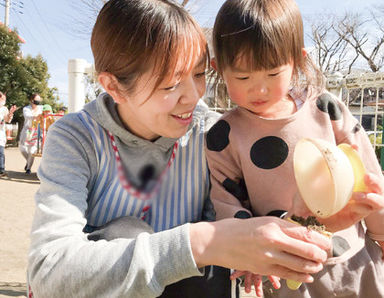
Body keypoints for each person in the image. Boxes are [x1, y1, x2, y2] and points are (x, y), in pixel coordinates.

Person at [27, 1, 332, 297]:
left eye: (199, 75)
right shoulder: (77, 137)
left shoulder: (213, 133)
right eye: (170, 85)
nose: (193, 96)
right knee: (127, 232)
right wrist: (200, 242)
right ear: (114, 87)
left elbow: (261, 214)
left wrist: (333, 209)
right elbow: (48, 273)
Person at [205, 0, 384, 297]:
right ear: (219, 69)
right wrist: (249, 253)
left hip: (354, 260)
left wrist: (381, 234)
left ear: (297, 61)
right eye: (243, 77)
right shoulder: (224, 135)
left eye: (273, 74)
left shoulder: (326, 108)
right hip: (286, 272)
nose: (258, 89)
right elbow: (226, 203)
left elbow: (369, 181)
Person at [19, 93, 43, 174]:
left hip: (36, 131)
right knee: (22, 149)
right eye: (37, 100)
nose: (38, 102)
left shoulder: (41, 108)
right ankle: (28, 161)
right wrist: (36, 115)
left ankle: (28, 168)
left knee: (32, 151)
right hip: (27, 131)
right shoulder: (26, 108)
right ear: (32, 100)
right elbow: (28, 116)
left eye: (39, 100)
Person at [0, 91, 17, 177]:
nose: (4, 101)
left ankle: (1, 170)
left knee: (1, 152)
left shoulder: (4, 109)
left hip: (0, 135)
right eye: (3, 99)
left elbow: (7, 119)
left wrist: (10, 113)